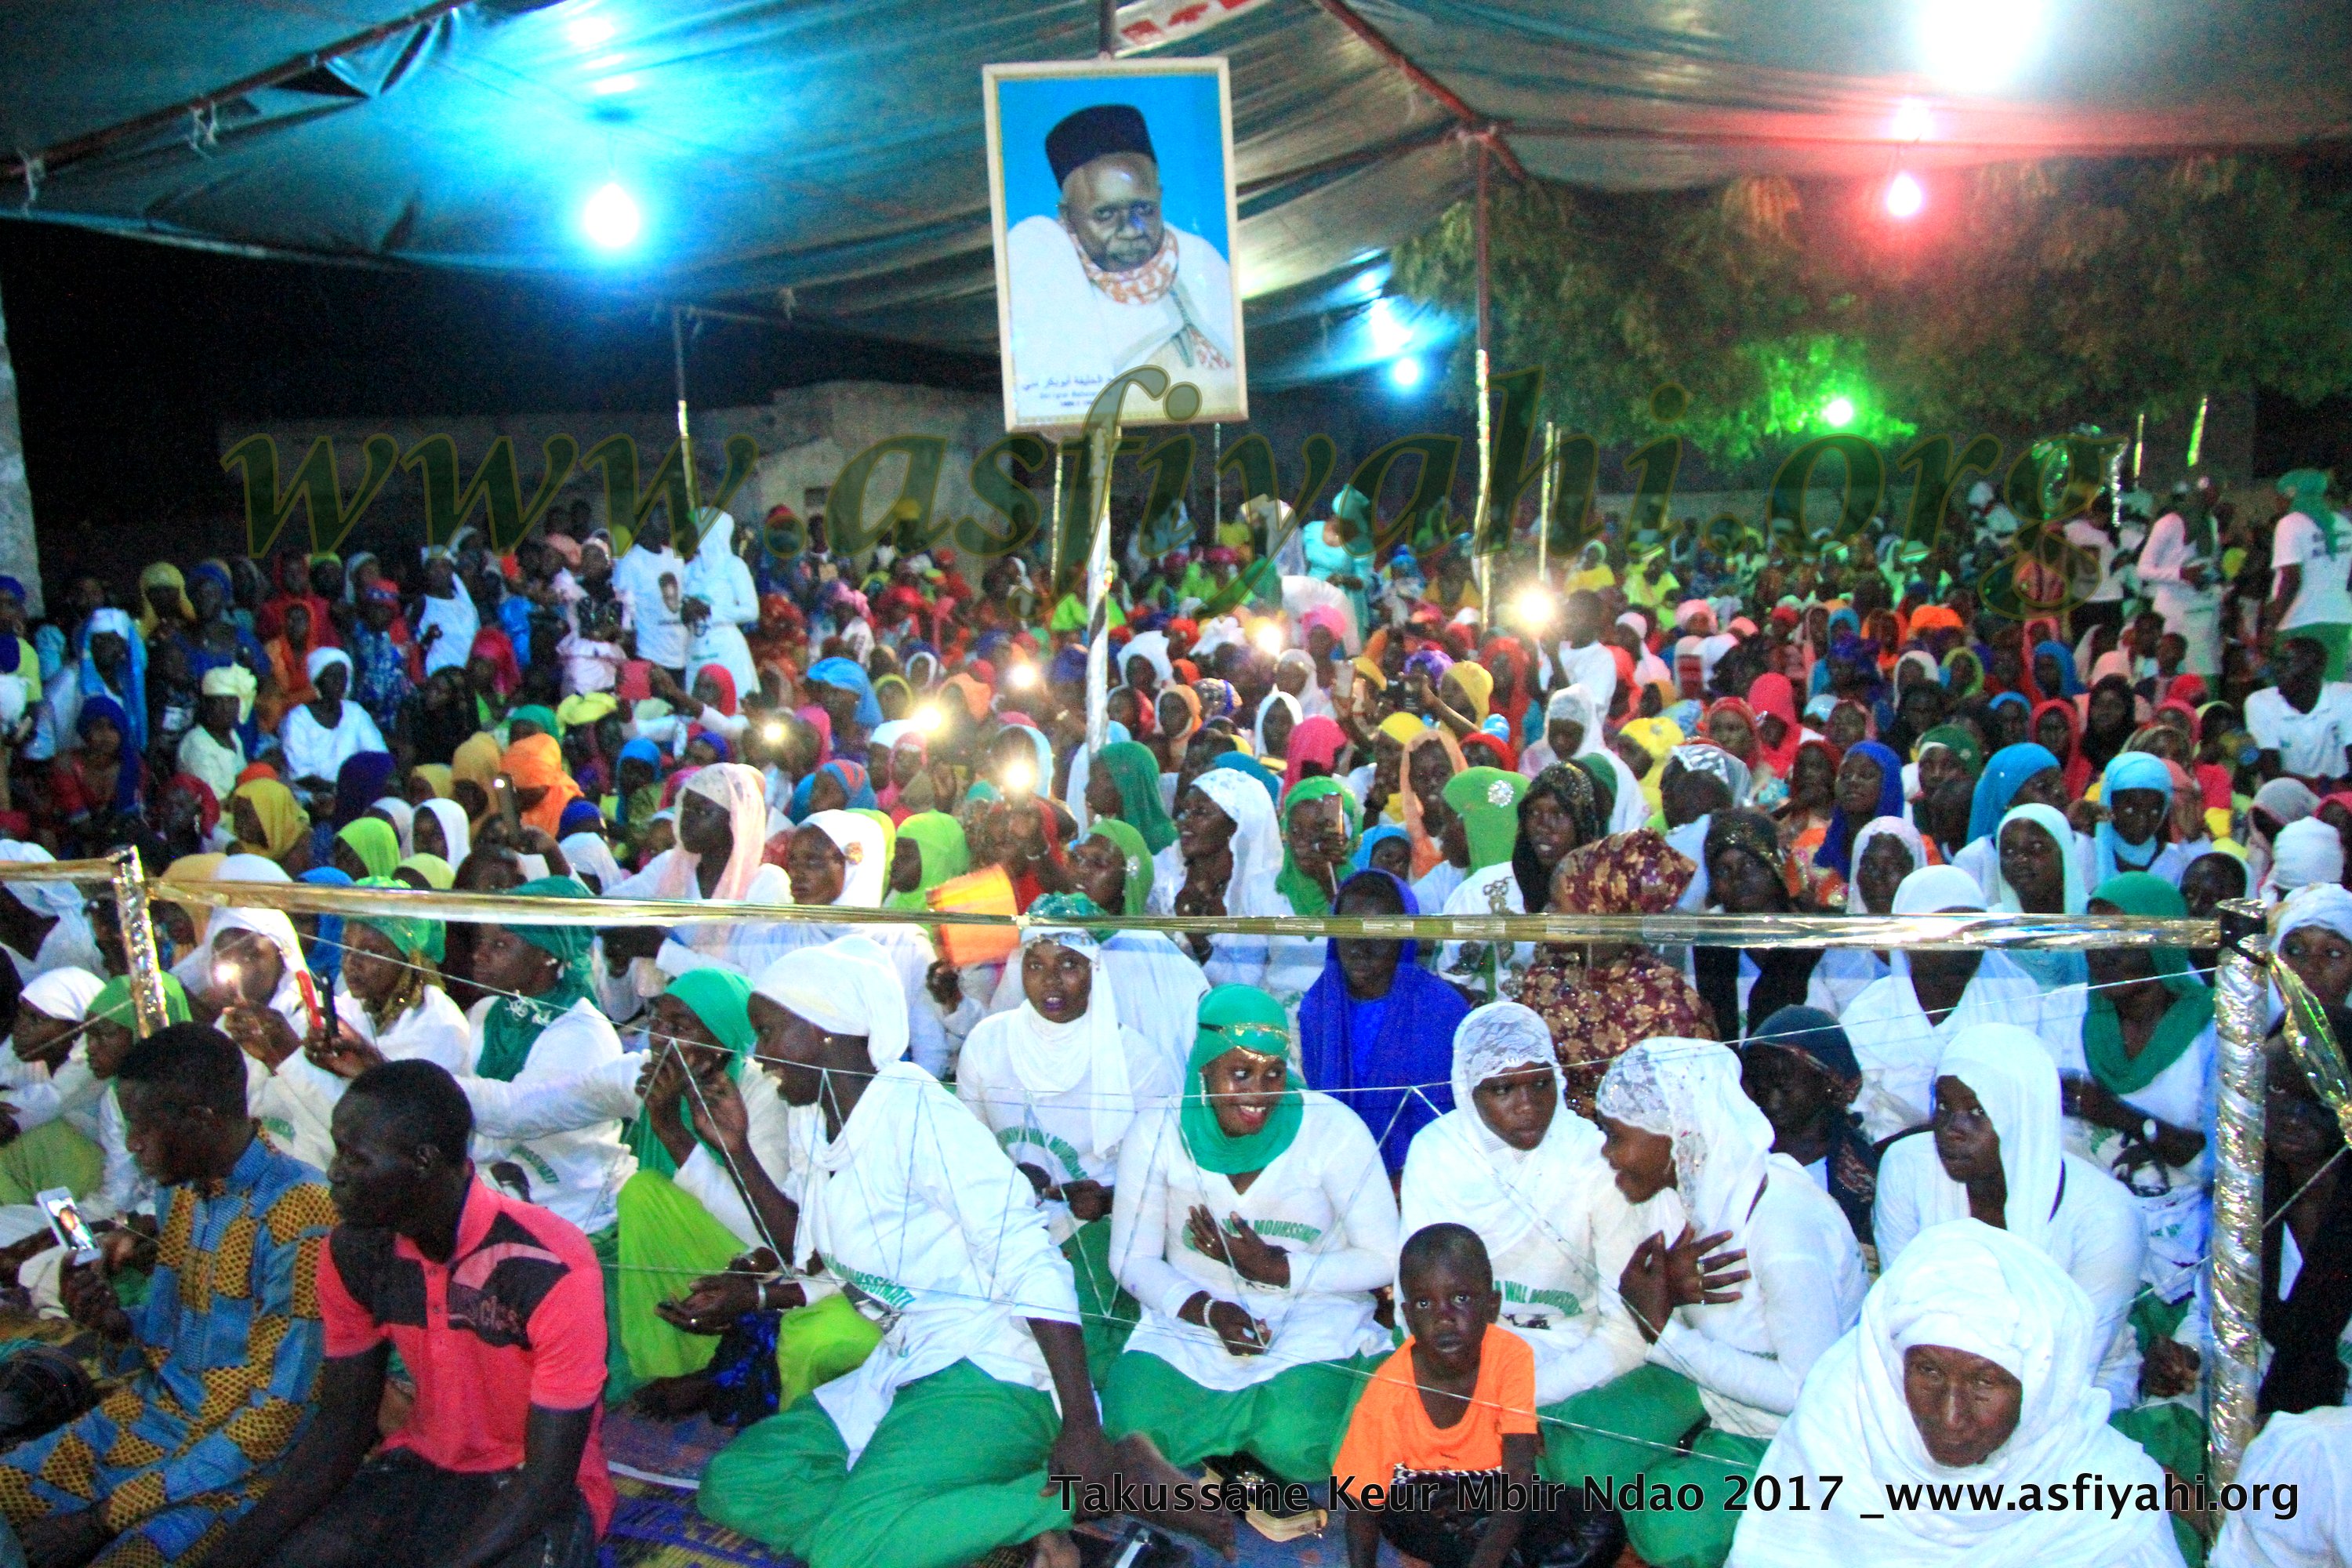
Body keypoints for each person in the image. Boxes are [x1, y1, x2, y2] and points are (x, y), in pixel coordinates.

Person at [694, 937, 1217, 1568]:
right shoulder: (817, 1116)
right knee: (737, 1484)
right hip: (908, 1362)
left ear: (828, 1030)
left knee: (846, 1552)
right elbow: (809, 1251)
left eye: (771, 1032)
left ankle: (1097, 1484)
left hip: (991, 1368)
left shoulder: (913, 1110)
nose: (761, 1054)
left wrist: (1080, 1420)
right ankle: (979, 1531)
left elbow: (1028, 1255)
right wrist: (736, 1150)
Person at [205, 1060, 610, 1568]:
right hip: (424, 1466)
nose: (334, 1172)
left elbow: (547, 1479)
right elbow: (342, 1428)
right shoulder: (356, 1253)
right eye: (338, 1151)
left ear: (423, 1160)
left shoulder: (547, 1264)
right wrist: (238, 1551)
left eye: (356, 1158)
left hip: (532, 1485)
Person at [0, 1022, 336, 1568]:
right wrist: (113, 1325)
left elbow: (276, 1419)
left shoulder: (299, 1215)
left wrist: (103, 1517)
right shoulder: (181, 1193)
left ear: (200, 1120)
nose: (132, 1144)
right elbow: (166, 1343)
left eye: (142, 1126)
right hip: (149, 1422)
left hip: (234, 1471)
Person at [1548, 1037, 1866, 1568]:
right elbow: (1636, 1312)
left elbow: (1803, 1391)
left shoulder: (1782, 1220)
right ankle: (1683, 1456)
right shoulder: (1671, 1195)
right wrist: (1664, 1304)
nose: (1607, 1154)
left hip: (1785, 1426)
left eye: (1616, 1136)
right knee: (1578, 1458)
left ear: (1679, 1133)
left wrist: (1666, 1333)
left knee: (1665, 1526)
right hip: (1702, 1376)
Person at [1728, 1218, 2186, 1568]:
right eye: (1928, 1372)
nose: (1949, 1417)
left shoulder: (2105, 1497)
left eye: (1985, 1382)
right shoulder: (1844, 1418)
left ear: (2044, 1386)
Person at [1101, 985, 1399, 1485]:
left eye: (1274, 1072)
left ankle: (1236, 1449)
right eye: (1240, 1074)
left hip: (1312, 1315)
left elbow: (1385, 1257)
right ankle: (1243, 1452)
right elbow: (1132, 1260)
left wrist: (1278, 1270)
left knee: (1302, 1440)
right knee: (1131, 1422)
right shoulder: (1157, 1132)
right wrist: (1208, 1309)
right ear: (1205, 1067)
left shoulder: (1332, 1128)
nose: (1260, 1092)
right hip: (1195, 1314)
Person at [1871, 1024, 2147, 1410]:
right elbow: (1898, 1316)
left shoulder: (2107, 1218)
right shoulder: (1907, 1168)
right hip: (1932, 1379)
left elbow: (2071, 1368)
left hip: (2070, 1393)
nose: (1952, 1130)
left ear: (2025, 1115)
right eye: (1944, 1107)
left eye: (1978, 1112)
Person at [955, 898, 1175, 1378]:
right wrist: (1007, 1178)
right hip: (1000, 1225)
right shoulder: (988, 1044)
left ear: (1097, 969)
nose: (1050, 983)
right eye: (1036, 965)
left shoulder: (1137, 1063)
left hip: (1095, 1230)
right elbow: (963, 1156)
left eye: (1070, 965)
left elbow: (1166, 1181)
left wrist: (1111, 1199)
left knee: (1062, 1349)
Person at [1399, 1003, 1654, 1410]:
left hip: (1573, 1346)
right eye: (1503, 1089)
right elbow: (1414, 1301)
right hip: (1459, 1347)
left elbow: (1625, 1327)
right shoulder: (1437, 1154)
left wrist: (1519, 1396)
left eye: (1540, 1084)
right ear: (1468, 1091)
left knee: (1578, 1458)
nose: (1527, 1105)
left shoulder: (1593, 1156)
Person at [1335, 1223, 1624, 1568]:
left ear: (1491, 1306)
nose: (1444, 1318)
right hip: (1418, 1499)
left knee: (1599, 1521)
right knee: (1467, 1538)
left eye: (1460, 1299)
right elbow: (1362, 1506)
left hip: (1492, 1489)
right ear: (1409, 1317)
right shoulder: (1388, 1391)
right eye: (1425, 1304)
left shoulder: (1512, 1356)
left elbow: (1520, 1471)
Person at [1003, 103, 1239, 426]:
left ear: (1160, 198)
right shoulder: (1053, 281)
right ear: (1068, 217)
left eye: (1144, 209)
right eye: (1105, 214)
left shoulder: (1201, 259)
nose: (1131, 229)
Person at [1838, 865, 2049, 1142]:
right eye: (1946, 932)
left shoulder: (2015, 999)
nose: (1962, 945)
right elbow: (1857, 1119)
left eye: (1974, 931)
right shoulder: (1867, 1016)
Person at [1298, 869, 1468, 1174]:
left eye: (1378, 932)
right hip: (1336, 1172)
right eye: (1349, 930)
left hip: (1428, 1176)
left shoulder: (1444, 1012)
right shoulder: (1318, 1009)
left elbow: (1454, 1119)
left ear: (1403, 937)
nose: (1360, 947)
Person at [1740, 1006, 1879, 1251]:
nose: (1769, 1100)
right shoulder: (1739, 1160)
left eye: (1783, 1085)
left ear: (1828, 1082)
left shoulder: (1864, 1174)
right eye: (1760, 1084)